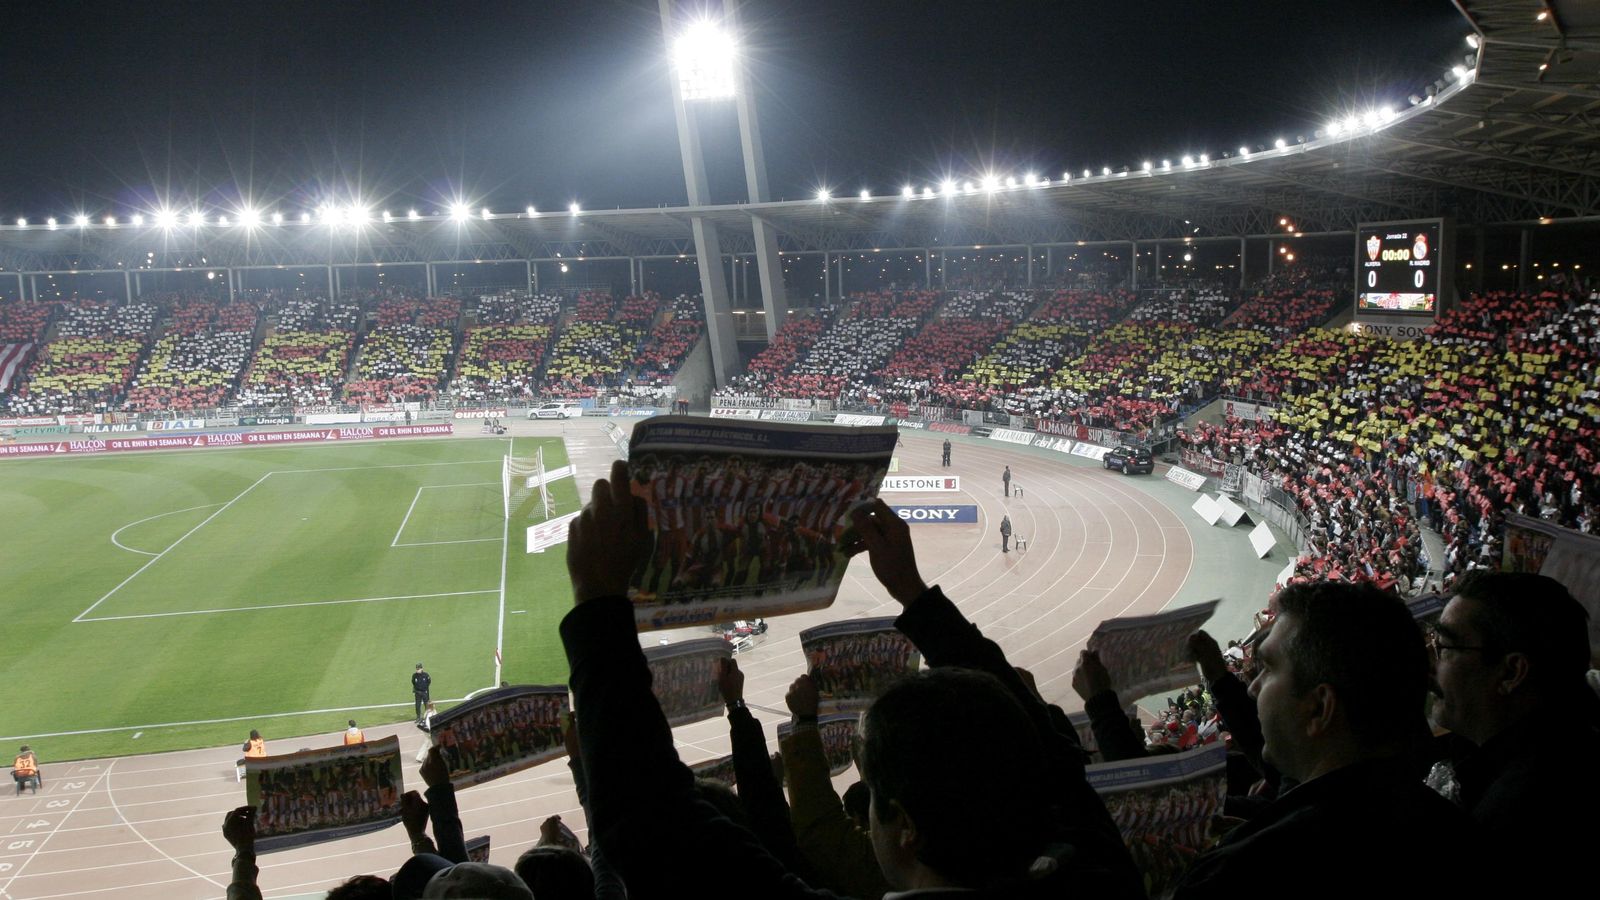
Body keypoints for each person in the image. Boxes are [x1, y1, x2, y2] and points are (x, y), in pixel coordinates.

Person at [559, 463, 1142, 899]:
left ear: (905, 828)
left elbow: (647, 825)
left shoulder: (1094, 853)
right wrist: (599, 605)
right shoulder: (1102, 871)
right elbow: (1042, 748)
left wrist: (597, 600)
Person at [1170, 581, 1482, 897]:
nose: (1254, 687)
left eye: (1268, 668)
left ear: (1320, 708)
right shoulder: (1451, 829)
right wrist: (1220, 680)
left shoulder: (1239, 873)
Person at [1428, 571, 1599, 864]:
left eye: (1444, 647)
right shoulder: (1571, 740)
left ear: (1510, 673)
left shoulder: (1521, 817)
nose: (1430, 660)